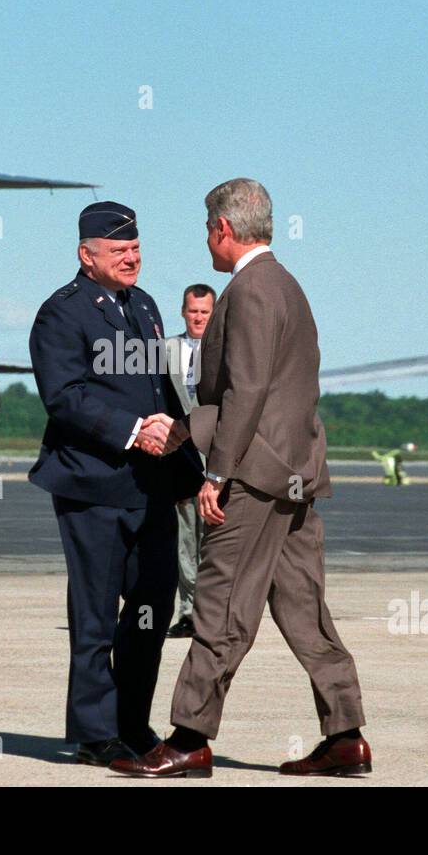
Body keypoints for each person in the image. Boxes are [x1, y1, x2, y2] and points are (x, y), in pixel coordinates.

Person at [111, 178, 368, 778]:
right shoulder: (288, 287)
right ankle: (347, 734)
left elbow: (248, 390)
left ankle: (189, 738)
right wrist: (190, 427)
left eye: (207, 229)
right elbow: (280, 393)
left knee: (221, 606)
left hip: (253, 478)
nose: (206, 241)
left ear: (223, 228)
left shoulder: (249, 290)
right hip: (295, 476)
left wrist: (216, 472)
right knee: (305, 610)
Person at [29, 201, 202, 766]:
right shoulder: (62, 314)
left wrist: (184, 468)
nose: (132, 259)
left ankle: (130, 722)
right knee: (96, 613)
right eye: (119, 251)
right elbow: (65, 396)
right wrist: (133, 432)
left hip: (149, 486)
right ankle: (94, 733)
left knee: (152, 607)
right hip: (93, 486)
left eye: (136, 249)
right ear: (87, 255)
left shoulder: (145, 306)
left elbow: (162, 393)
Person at [164, 284, 214, 639]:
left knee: (213, 538)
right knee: (183, 537)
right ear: (183, 311)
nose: (198, 318)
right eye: (193, 311)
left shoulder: (227, 352)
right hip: (179, 460)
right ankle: (187, 610)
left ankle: (211, 611)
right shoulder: (164, 351)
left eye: (205, 312)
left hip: (216, 459)